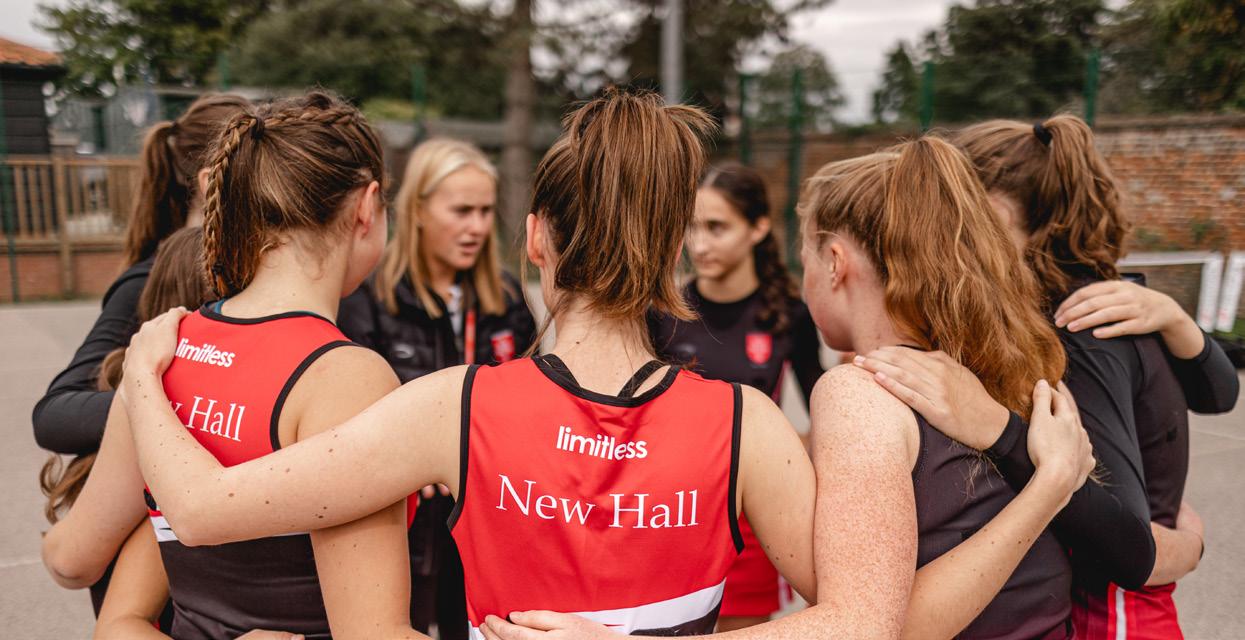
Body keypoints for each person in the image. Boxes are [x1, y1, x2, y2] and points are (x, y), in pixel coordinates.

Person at [123, 116, 1091, 640]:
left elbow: (199, 509)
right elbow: (863, 621)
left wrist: (140, 376)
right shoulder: (747, 423)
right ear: (673, 250)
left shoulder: (450, 406)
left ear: (534, 238)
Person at [51, 91, 419, 639]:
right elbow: (372, 632)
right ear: (367, 206)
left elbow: (112, 619)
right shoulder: (343, 377)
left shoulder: (163, 352)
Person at [858, 115, 1238, 640]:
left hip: (1108, 620)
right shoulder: (1064, 313)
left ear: (995, 214)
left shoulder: (1078, 329)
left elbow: (1130, 544)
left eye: (955, 210)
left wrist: (997, 429)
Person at [31, 93, 249, 615]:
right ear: (211, 183)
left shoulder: (273, 280)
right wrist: (177, 403)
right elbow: (54, 413)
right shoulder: (147, 282)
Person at [338, 138, 536, 639]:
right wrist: (415, 458)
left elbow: (534, 399)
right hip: (404, 519)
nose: (477, 227)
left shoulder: (506, 296)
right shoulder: (372, 297)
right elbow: (353, 414)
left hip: (488, 515)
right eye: (462, 211)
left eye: (486, 211)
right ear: (420, 210)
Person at [647, 162, 823, 630]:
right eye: (692, 227)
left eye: (717, 227)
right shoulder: (663, 313)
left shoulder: (788, 315)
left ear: (758, 228)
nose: (699, 244)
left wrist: (782, 458)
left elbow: (825, 413)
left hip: (751, 518)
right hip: (672, 511)